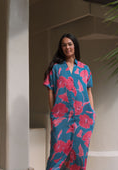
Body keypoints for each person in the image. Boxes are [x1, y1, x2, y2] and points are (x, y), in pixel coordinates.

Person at [43, 33, 95, 170]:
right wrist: (53, 113)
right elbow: (50, 91)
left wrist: (92, 113)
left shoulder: (85, 69)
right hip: (61, 118)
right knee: (57, 154)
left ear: (75, 46)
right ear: (61, 48)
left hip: (83, 118)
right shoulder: (56, 68)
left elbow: (89, 92)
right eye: (64, 45)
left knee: (79, 155)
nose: (67, 47)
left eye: (70, 44)